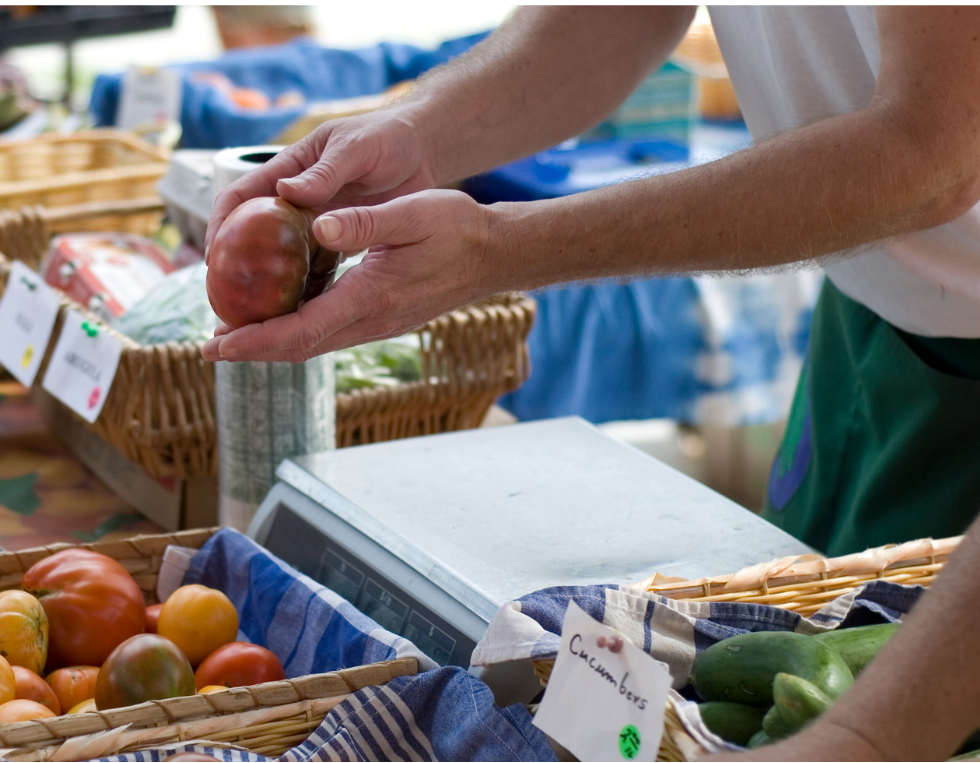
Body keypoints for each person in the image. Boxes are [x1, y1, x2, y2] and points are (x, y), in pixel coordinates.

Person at [202, 6, 980, 759]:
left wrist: (500, 249)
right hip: (868, 330)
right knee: (791, 662)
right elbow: (626, 12)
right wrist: (421, 129)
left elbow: (937, 149)